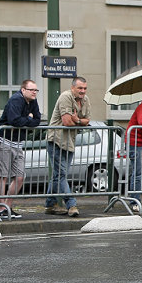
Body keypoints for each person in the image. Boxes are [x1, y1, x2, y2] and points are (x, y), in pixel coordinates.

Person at [44, 77, 90, 217]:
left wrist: (77, 119)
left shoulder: (85, 100)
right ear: (72, 88)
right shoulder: (65, 97)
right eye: (79, 88)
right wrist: (78, 121)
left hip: (70, 141)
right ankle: (71, 204)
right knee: (62, 174)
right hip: (56, 140)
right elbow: (66, 122)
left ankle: (50, 203)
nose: (82, 91)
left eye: (84, 88)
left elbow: (87, 120)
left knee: (58, 175)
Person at [0, 79, 41, 219]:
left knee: (20, 177)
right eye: (31, 90)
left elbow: (38, 119)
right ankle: (1, 208)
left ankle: (8, 206)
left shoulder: (32, 101)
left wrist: (27, 119)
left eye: (36, 90)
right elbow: (14, 120)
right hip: (5, 140)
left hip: (18, 142)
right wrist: (28, 118)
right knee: (2, 176)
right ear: (23, 90)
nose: (34, 93)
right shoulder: (16, 100)